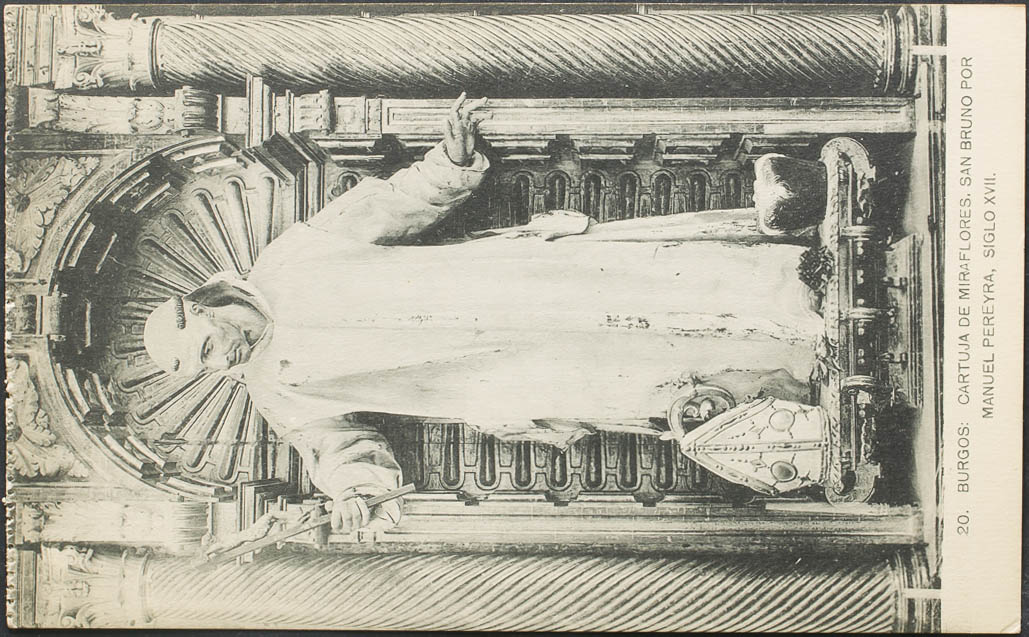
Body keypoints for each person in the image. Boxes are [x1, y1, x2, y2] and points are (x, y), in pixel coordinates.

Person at [144, 94, 823, 534]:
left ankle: (812, 286)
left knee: (660, 282)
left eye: (206, 346)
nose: (220, 362)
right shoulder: (275, 391)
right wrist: (355, 493)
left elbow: (389, 208)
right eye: (205, 367)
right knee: (662, 376)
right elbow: (338, 449)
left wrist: (449, 162)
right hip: (508, 375)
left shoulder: (290, 257)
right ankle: (811, 375)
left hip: (508, 284)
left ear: (206, 305)